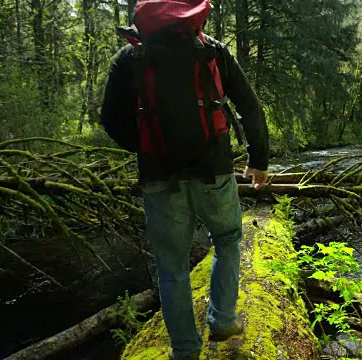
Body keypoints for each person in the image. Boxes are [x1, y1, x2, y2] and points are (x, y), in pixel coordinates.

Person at [99, 1, 269, 359]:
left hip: (159, 176)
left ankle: (185, 351)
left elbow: (111, 120)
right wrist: (259, 161)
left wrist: (144, 146)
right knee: (226, 239)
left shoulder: (130, 58)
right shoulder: (211, 50)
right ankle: (222, 320)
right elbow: (250, 106)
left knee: (171, 266)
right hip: (215, 169)